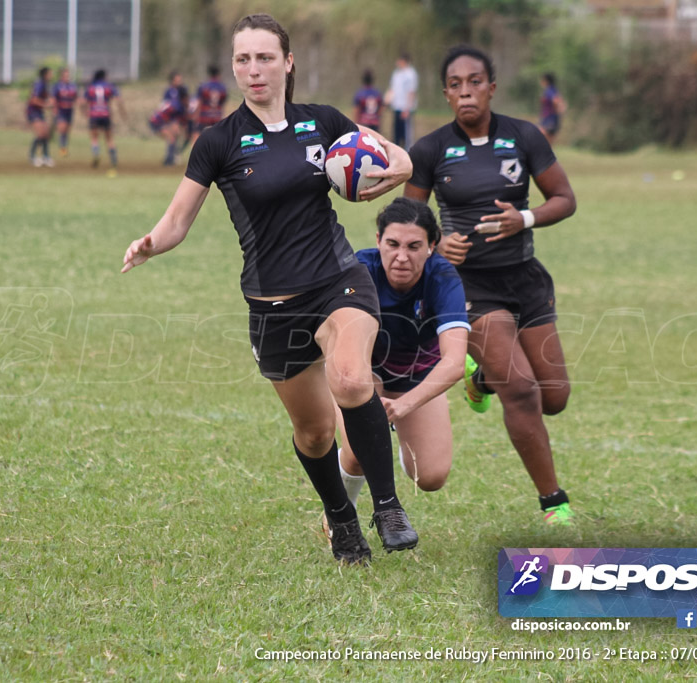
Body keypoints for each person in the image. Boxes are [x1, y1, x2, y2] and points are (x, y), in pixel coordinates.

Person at [122, 13, 418, 565]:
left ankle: (388, 506)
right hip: (274, 305)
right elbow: (178, 220)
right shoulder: (218, 142)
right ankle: (340, 518)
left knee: (353, 380)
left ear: (287, 63)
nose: (253, 70)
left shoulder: (324, 121)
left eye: (264, 58)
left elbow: (392, 157)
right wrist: (150, 244)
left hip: (338, 280)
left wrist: (398, 169)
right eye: (242, 59)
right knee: (313, 432)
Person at [406, 45, 578, 526]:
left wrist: (524, 218)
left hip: (524, 278)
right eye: (455, 84)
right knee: (521, 391)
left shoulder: (525, 136)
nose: (466, 91)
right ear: (445, 94)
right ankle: (554, 503)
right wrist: (438, 249)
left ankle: (479, 378)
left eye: (475, 81)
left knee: (555, 397)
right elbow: (410, 223)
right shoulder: (430, 149)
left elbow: (564, 199)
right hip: (467, 286)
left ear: (492, 88)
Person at [334, 197, 469, 513]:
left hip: (416, 373)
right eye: (392, 244)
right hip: (365, 370)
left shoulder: (443, 277)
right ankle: (342, 516)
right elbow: (345, 347)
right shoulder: (358, 271)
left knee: (431, 477)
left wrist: (403, 406)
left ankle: (400, 434)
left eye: (414, 246)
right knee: (358, 451)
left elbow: (454, 362)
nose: (401, 257)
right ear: (378, 240)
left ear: (432, 246)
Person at [82, 69, 127, 173]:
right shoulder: (109, 86)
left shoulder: (90, 87)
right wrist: (122, 112)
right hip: (105, 115)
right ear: (104, 76)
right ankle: (113, 160)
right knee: (109, 139)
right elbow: (118, 100)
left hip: (93, 115)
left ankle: (96, 153)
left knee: (94, 138)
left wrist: (84, 112)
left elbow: (83, 102)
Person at [189, 64, 227, 146]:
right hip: (216, 115)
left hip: (204, 115)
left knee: (196, 134)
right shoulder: (222, 87)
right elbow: (222, 104)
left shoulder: (203, 86)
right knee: (216, 137)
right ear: (218, 74)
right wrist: (222, 115)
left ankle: (195, 154)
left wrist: (196, 115)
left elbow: (199, 102)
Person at [387, 54, 418, 150]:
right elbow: (392, 89)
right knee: (396, 133)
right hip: (397, 107)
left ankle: (408, 152)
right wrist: (386, 102)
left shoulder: (411, 74)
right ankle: (396, 150)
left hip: (405, 109)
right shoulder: (396, 74)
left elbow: (411, 92)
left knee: (406, 134)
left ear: (404, 61)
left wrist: (407, 109)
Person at [27, 66, 53, 167]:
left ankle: (46, 157)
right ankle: (32, 157)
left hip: (39, 112)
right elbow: (33, 99)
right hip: (33, 111)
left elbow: (47, 97)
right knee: (40, 134)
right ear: (45, 75)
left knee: (46, 134)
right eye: (50, 73)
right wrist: (46, 105)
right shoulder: (39, 84)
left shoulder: (45, 85)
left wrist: (50, 102)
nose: (52, 75)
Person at [52, 67, 78, 157]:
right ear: (61, 76)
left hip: (69, 110)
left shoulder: (72, 86)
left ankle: (64, 148)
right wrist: (54, 109)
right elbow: (54, 98)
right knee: (62, 129)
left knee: (67, 131)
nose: (67, 77)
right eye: (66, 75)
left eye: (68, 75)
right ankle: (62, 149)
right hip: (61, 110)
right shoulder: (57, 86)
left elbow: (75, 97)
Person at [148, 98, 183, 166]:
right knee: (171, 138)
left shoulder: (171, 105)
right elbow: (165, 119)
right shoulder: (174, 108)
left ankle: (170, 158)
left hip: (156, 122)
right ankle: (169, 160)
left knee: (172, 138)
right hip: (156, 123)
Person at [539, 73, 566, 144]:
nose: (541, 82)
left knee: (541, 135)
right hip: (553, 117)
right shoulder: (554, 89)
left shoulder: (549, 90)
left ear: (546, 81)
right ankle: (546, 154)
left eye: (542, 80)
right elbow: (560, 101)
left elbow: (556, 101)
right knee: (549, 140)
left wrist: (558, 109)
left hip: (549, 117)